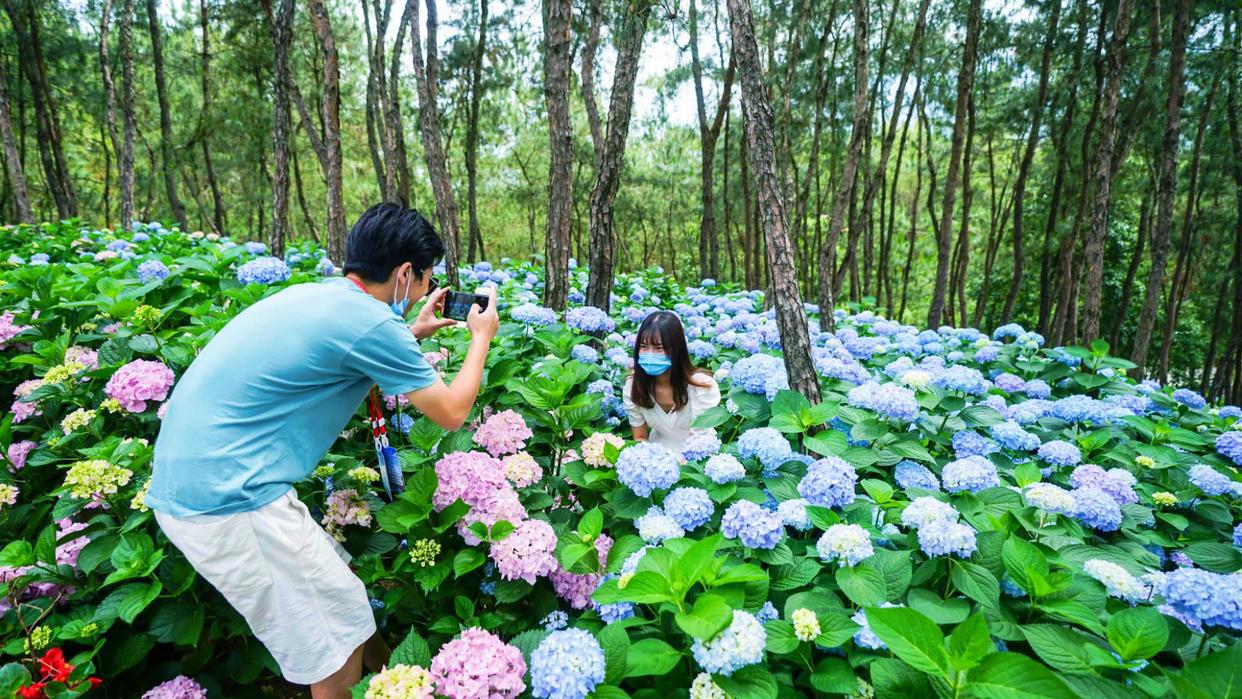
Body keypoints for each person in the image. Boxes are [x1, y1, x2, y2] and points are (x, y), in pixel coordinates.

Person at [145, 203, 499, 698]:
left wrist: (411, 331)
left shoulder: (321, 296)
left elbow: (345, 346)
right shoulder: (373, 325)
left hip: (199, 481)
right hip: (231, 500)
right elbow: (453, 412)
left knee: (343, 595)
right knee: (335, 642)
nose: (426, 289)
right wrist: (481, 338)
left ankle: (395, 682)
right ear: (404, 274)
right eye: (427, 278)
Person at [622, 311, 721, 452]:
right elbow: (640, 437)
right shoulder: (634, 387)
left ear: (676, 349)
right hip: (657, 452)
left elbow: (696, 440)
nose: (650, 354)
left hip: (698, 455)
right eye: (644, 347)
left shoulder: (702, 387)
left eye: (659, 348)